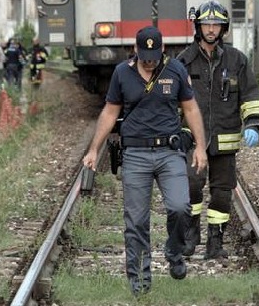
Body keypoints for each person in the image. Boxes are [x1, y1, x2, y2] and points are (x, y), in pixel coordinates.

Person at [82, 26, 208, 296]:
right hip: (135, 155)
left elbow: (191, 108)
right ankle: (140, 282)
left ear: (162, 49)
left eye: (154, 54)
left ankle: (174, 252)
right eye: (144, 55)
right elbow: (109, 112)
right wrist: (94, 149)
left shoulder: (175, 70)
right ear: (135, 50)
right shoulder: (121, 73)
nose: (149, 61)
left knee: (180, 207)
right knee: (136, 221)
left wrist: (200, 147)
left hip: (169, 153)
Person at [177, 0, 259, 259]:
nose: (211, 29)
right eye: (206, 24)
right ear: (198, 27)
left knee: (222, 193)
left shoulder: (237, 60)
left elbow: (249, 95)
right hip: (193, 140)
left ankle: (216, 243)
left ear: (223, 28)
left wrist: (253, 124)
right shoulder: (183, 61)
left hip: (225, 137)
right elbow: (172, 99)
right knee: (191, 187)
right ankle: (191, 237)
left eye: (216, 24)